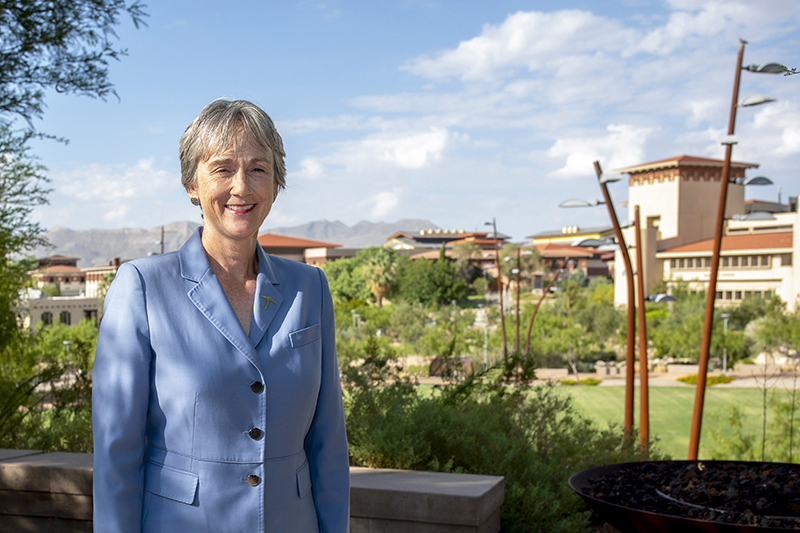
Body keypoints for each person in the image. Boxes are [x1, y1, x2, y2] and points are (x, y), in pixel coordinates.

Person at [92, 99, 350, 532]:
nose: (242, 187)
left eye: (258, 168)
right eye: (223, 169)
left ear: (276, 182)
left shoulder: (311, 288)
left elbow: (328, 443)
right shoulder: (141, 287)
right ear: (192, 184)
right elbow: (117, 453)